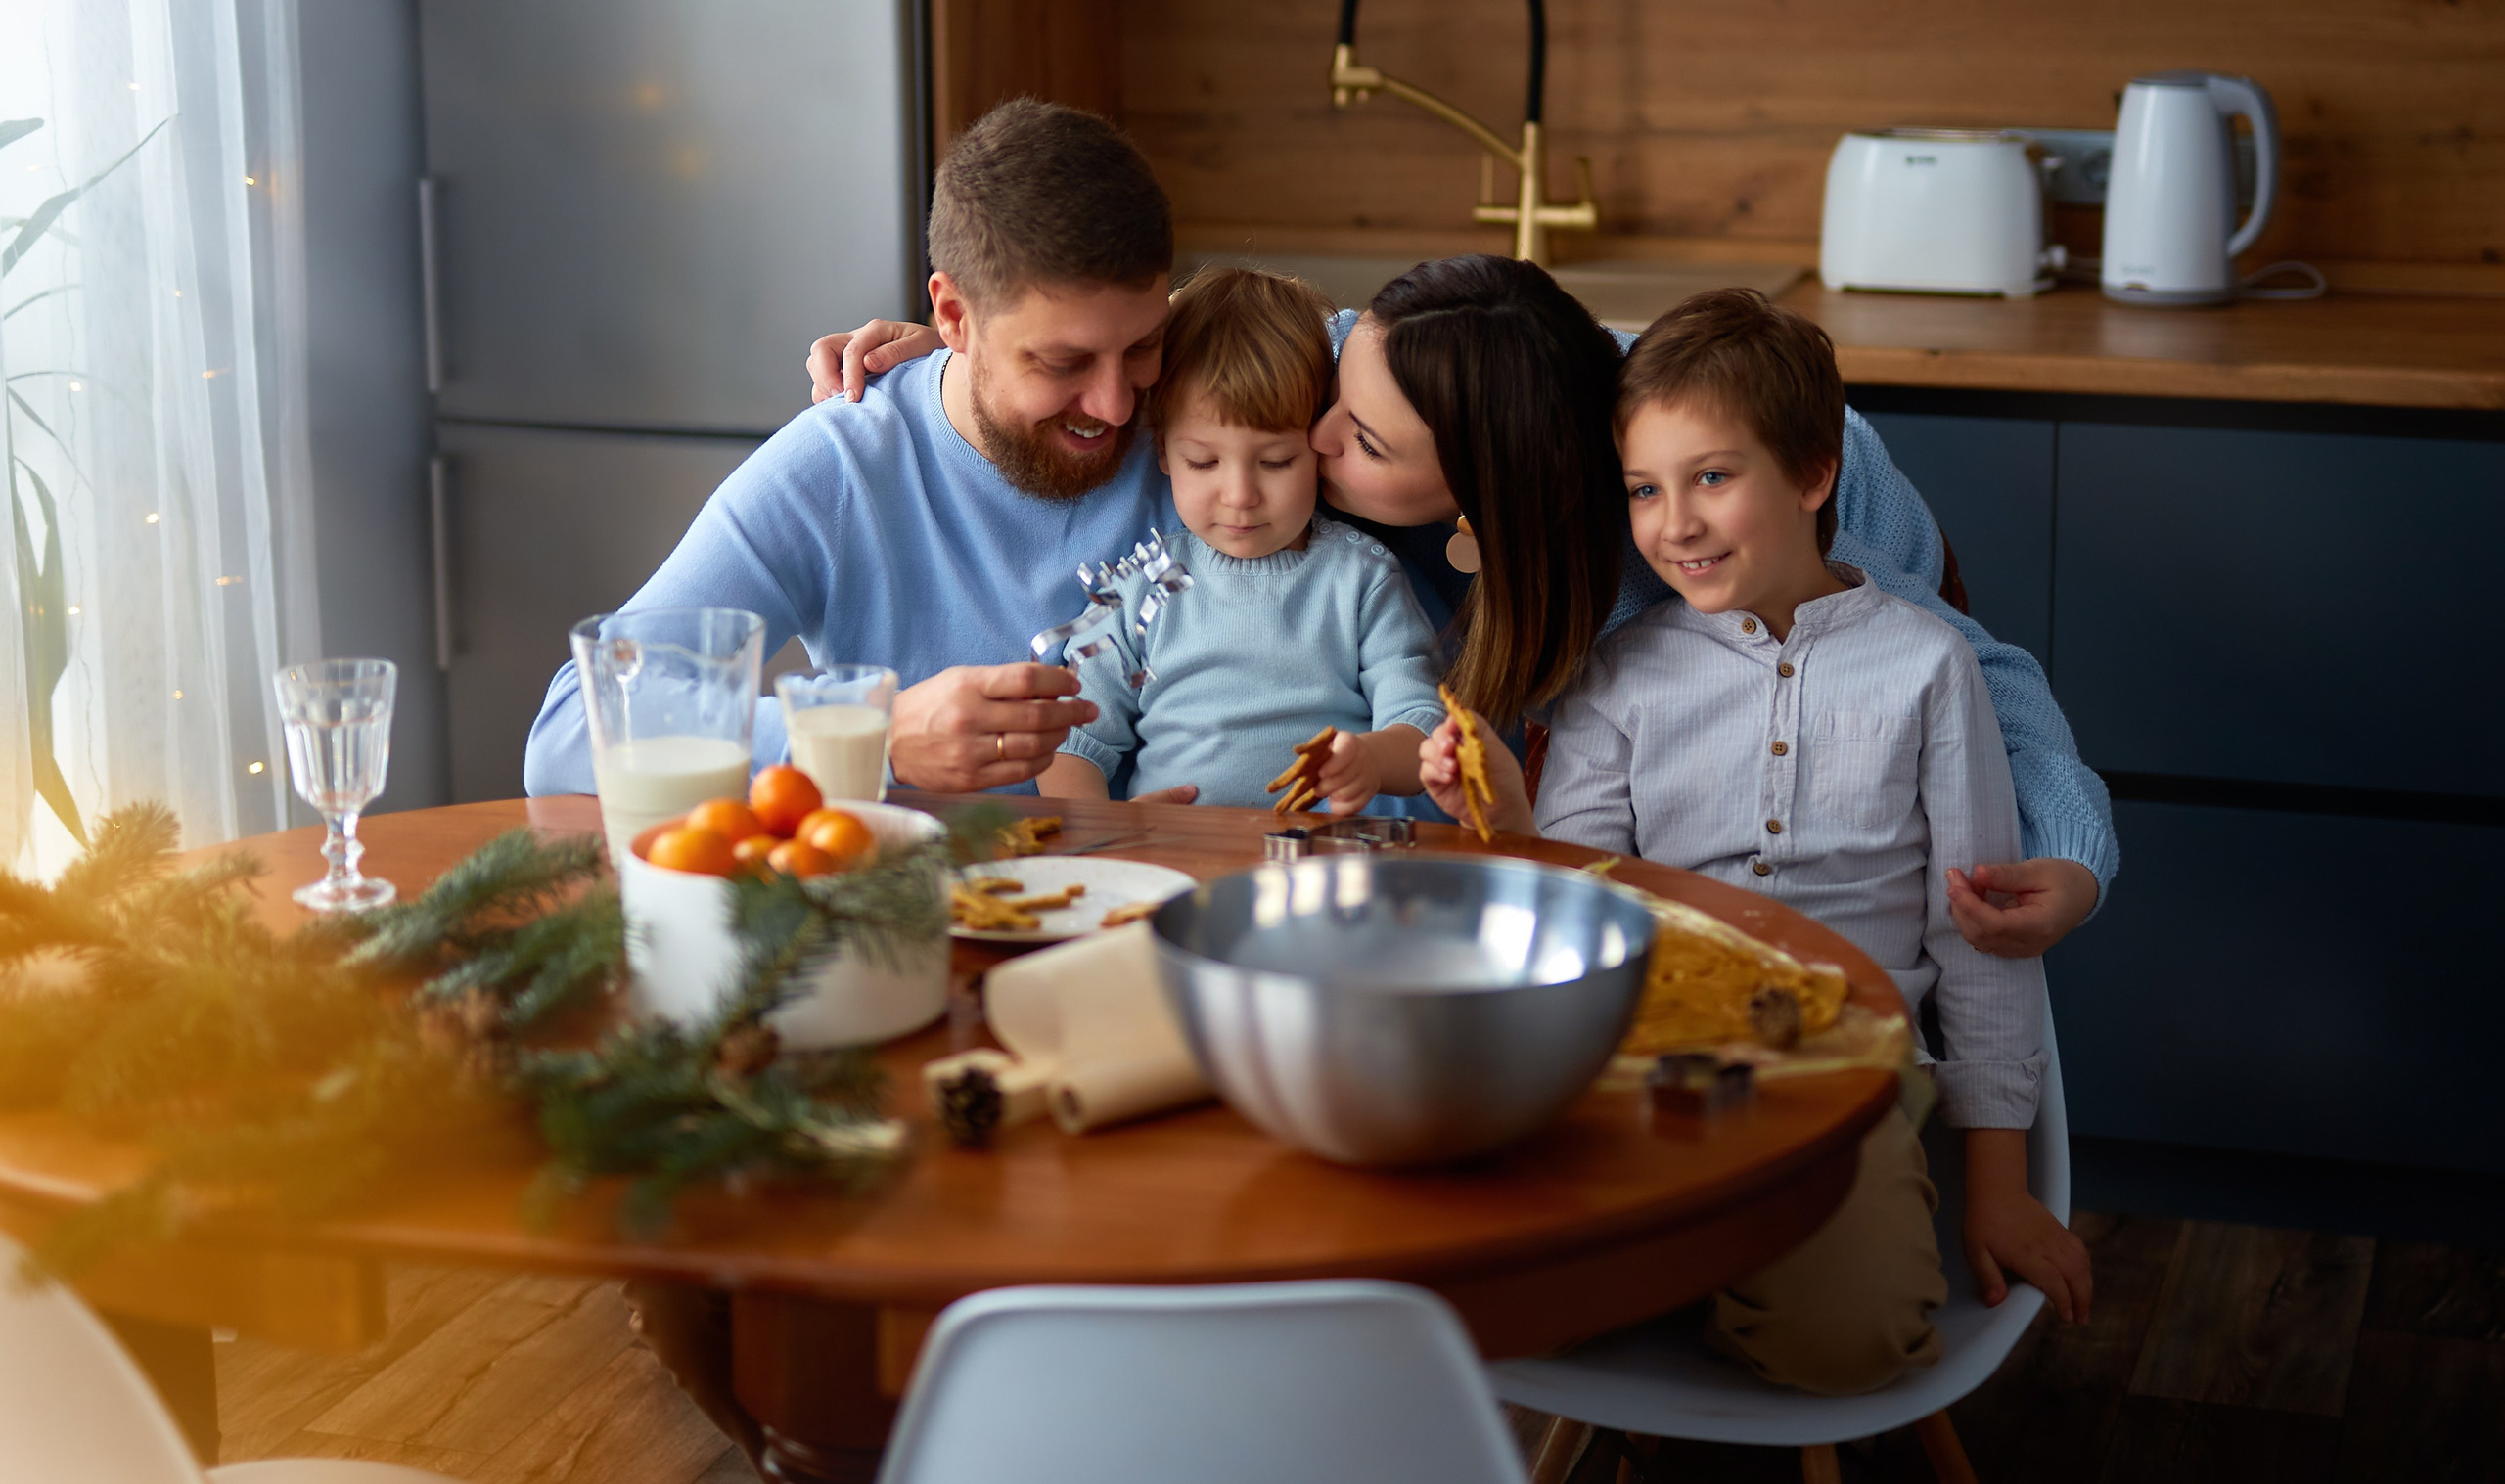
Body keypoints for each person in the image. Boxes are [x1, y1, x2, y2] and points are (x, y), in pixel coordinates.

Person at [810, 255, 2116, 956]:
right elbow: (1217, 348)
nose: (1309, 443)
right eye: (1336, 386)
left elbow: (1967, 669)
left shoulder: (1723, 516)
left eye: (1360, 442)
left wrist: (2065, 849)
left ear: (1475, 516)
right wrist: (977, 360)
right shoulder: (1384, 376)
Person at [1421, 289, 2090, 1392]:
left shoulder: (1931, 667)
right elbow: (1581, 905)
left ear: (1814, 474)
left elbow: (1977, 939)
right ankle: (1695, 1264)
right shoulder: (1617, 672)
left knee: (1853, 1343)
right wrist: (1508, 817)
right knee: (1484, 1302)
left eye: (1712, 477)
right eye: (1643, 489)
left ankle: (1701, 1272)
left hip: (1846, 1076)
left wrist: (2000, 1182)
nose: (1673, 523)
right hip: (1636, 1064)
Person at [522, 98, 1201, 803]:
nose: (1118, 404)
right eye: (1063, 363)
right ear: (954, 316)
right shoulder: (845, 465)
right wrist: (868, 732)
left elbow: (1327, 339)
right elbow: (573, 731)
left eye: (1144, 346)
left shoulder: (1207, 420)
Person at [1035, 266, 1445, 812]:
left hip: (1320, 864)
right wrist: (1101, 832)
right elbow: (1072, 740)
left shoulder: (1362, 578)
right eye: (1203, 461)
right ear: (1162, 452)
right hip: (1176, 860)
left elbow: (1419, 721)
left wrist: (1370, 759)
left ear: (1319, 441)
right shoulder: (1138, 586)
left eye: (1276, 461)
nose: (1240, 495)